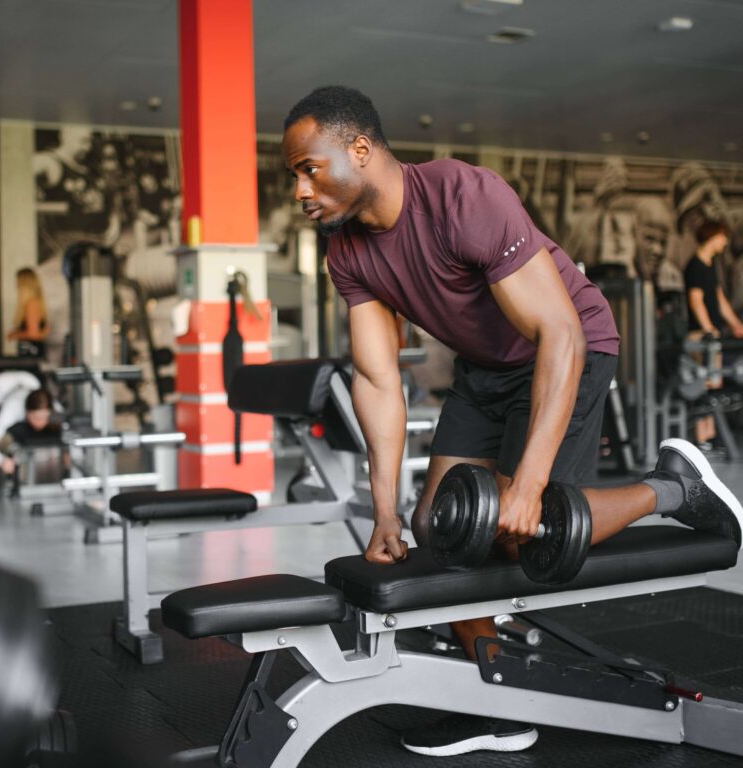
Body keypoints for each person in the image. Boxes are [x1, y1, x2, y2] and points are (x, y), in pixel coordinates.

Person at [282, 86, 743, 756]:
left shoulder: (463, 197)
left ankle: (675, 486)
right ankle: (495, 697)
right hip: (486, 371)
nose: (300, 190)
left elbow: (559, 331)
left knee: (524, 530)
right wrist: (384, 512)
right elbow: (380, 381)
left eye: (308, 168)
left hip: (569, 347)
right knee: (436, 524)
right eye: (294, 175)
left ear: (359, 149)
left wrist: (527, 485)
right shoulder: (348, 252)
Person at [683, 220, 743, 447]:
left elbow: (719, 299)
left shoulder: (709, 266)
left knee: (714, 383)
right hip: (700, 337)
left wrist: (736, 325)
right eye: (723, 236)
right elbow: (695, 301)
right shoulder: (695, 266)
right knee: (704, 383)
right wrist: (708, 329)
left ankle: (709, 436)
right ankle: (701, 439)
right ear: (713, 236)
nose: (725, 242)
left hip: (712, 338)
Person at [0, 371, 48, 474]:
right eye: (36, 418)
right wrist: (2, 461)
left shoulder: (45, 400)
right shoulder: (10, 411)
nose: (41, 423)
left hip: (26, 379)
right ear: (27, 412)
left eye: (45, 417)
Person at [7, 268, 50, 358]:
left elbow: (33, 334)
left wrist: (15, 334)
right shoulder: (35, 302)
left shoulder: (31, 304)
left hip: (31, 355)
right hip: (33, 353)